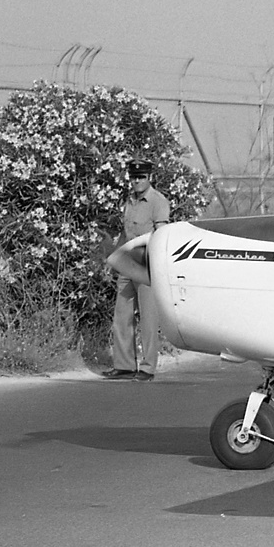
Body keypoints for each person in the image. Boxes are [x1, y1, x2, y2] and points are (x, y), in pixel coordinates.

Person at [105, 158, 171, 380]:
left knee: (148, 318)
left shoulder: (158, 202)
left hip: (147, 266)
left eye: (141, 177)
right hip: (127, 264)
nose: (137, 181)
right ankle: (124, 365)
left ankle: (147, 367)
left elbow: (161, 237)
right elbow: (126, 233)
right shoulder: (130, 202)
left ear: (149, 178)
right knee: (122, 315)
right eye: (133, 177)